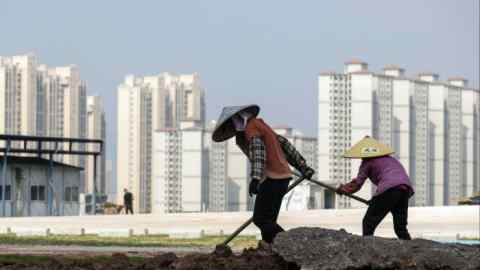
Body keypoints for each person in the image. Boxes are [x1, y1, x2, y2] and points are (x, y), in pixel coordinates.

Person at [212, 104, 315, 244]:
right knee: (268, 221)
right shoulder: (259, 126)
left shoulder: (251, 127)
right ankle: (271, 249)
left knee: (260, 219)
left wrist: (255, 178)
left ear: (236, 120)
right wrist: (303, 167)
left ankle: (290, 244)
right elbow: (284, 144)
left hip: (272, 178)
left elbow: (258, 151)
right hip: (282, 178)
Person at [337, 136, 414, 240]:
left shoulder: (367, 162)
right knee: (400, 227)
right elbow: (393, 185)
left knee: (368, 222)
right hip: (404, 189)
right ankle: (408, 245)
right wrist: (376, 202)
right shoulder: (390, 159)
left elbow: (357, 184)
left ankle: (367, 246)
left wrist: (343, 189)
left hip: (389, 189)